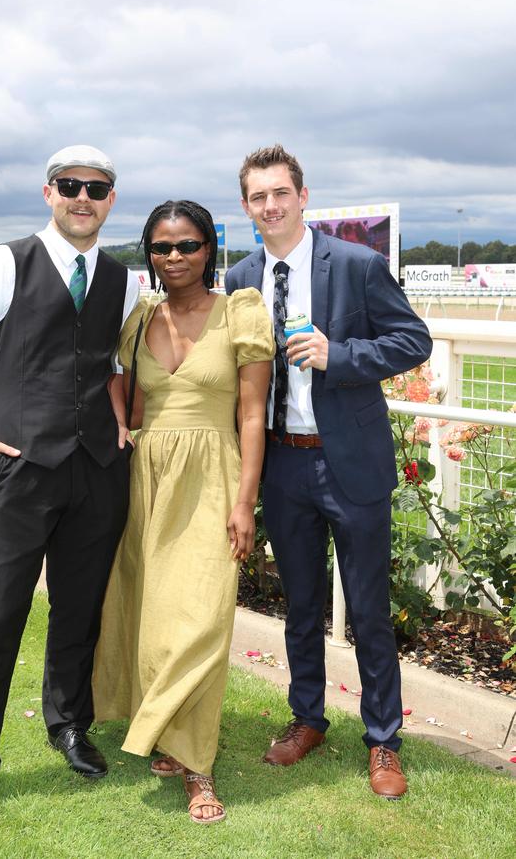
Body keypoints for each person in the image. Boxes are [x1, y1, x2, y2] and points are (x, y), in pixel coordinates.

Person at [0, 144, 140, 835]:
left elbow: (112, 365)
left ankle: (69, 726)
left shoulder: (123, 279)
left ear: (112, 199)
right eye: (71, 186)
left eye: (98, 188)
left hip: (97, 472)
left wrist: (118, 424)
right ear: (48, 192)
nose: (84, 197)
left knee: (79, 613)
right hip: (18, 471)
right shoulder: (3, 263)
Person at [225, 145, 433, 799]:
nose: (271, 206)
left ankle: (383, 742)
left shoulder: (357, 264)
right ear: (246, 206)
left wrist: (336, 353)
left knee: (370, 610)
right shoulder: (240, 279)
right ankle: (308, 719)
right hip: (284, 464)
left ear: (303, 195)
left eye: (280, 192)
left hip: (352, 465)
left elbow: (412, 341)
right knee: (302, 606)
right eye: (258, 197)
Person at [92, 200, 274, 824]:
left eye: (188, 246)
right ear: (149, 252)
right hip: (149, 479)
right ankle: (170, 736)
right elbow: (125, 389)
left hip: (214, 478)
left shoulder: (240, 313)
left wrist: (245, 501)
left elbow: (252, 415)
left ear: (209, 250)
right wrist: (119, 424)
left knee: (200, 620)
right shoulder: (141, 319)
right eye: (162, 247)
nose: (175, 258)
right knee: (151, 613)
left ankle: (199, 768)